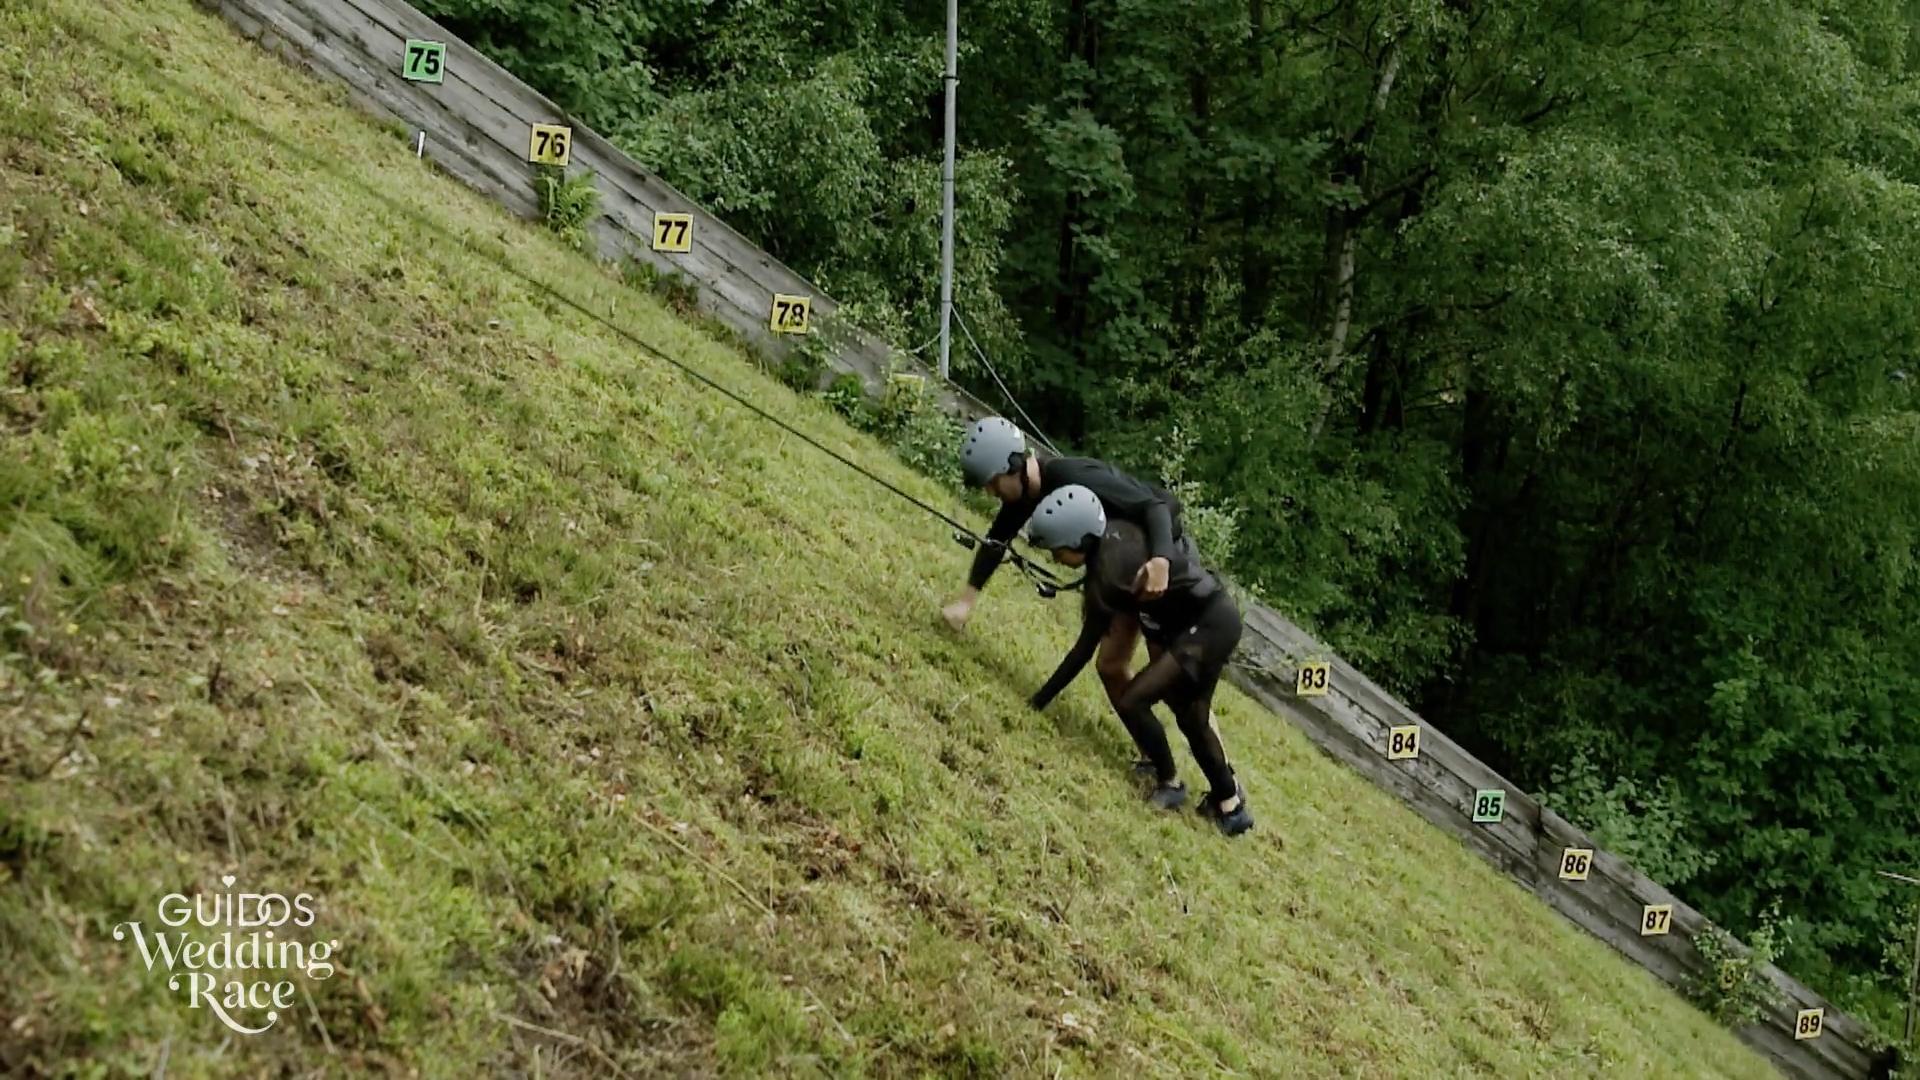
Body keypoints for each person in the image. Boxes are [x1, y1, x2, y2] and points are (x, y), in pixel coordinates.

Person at [1023, 484, 1254, 837]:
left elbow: (1084, 649)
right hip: (1211, 620)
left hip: (1208, 625)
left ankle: (1170, 782)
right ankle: (1230, 806)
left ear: (1079, 540)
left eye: (1058, 550)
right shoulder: (1114, 538)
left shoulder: (1112, 568)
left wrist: (1038, 702)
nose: (1056, 559)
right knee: (1193, 718)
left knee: (1134, 699)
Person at [944, 417, 1192, 718]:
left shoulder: (1074, 476)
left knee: (1172, 676)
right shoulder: (1024, 495)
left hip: (1165, 556)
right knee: (1110, 666)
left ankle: (1223, 765)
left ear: (1013, 465)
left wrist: (1162, 561)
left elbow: (1156, 506)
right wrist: (965, 604)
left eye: (993, 483)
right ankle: (1149, 756)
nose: (990, 492)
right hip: (1124, 576)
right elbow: (997, 540)